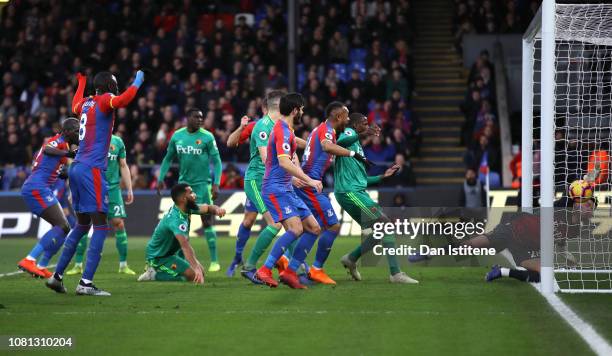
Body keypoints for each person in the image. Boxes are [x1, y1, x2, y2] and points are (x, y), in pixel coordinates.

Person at [47, 70, 144, 297]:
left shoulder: (87, 103)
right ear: (109, 84)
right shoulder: (103, 100)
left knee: (81, 225)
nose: (117, 87)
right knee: (100, 226)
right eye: (115, 83)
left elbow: (74, 106)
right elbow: (124, 100)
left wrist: (81, 82)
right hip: (92, 170)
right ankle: (86, 283)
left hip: (77, 167)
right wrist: (139, 79)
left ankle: (57, 276)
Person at [336, 112, 419, 284]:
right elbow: (339, 142)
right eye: (364, 124)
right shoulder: (349, 133)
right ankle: (395, 274)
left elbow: (362, 180)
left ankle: (351, 258)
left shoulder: (357, 145)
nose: (367, 127)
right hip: (350, 192)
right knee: (386, 224)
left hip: (355, 191)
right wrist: (363, 133)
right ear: (356, 125)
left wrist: (382, 177)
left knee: (381, 230)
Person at [294, 101, 371, 285]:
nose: (348, 118)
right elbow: (327, 146)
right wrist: (351, 154)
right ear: (338, 117)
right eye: (346, 115)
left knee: (312, 228)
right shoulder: (327, 131)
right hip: (310, 185)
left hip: (307, 183)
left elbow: (319, 148)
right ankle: (315, 269)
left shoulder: (319, 129)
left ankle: (292, 267)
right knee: (333, 226)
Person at [254, 93, 323, 289]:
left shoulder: (286, 130)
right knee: (295, 229)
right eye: (301, 109)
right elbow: (284, 162)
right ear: (294, 110)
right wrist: (308, 180)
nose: (302, 112)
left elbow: (301, 144)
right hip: (276, 189)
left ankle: (290, 271)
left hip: (286, 189)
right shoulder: (282, 131)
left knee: (314, 228)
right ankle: (265, 270)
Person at [224, 91, 284, 281]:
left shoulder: (281, 126)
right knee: (250, 220)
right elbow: (230, 142)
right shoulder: (257, 126)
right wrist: (241, 128)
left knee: (286, 220)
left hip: (272, 180)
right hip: (258, 180)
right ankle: (238, 258)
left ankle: (290, 264)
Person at [156, 108, 223, 272]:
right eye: (196, 117)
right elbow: (167, 159)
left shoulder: (207, 137)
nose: (200, 120)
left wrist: (216, 183)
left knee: (207, 221)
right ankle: (179, 260)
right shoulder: (177, 136)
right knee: (183, 223)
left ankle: (214, 261)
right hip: (183, 186)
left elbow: (218, 161)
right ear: (188, 118)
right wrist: (160, 178)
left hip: (202, 185)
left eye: (202, 117)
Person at [17, 118, 79, 278]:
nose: (78, 133)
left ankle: (42, 264)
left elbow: (53, 167)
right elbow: (47, 150)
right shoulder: (57, 141)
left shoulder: (63, 145)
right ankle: (29, 259)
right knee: (62, 225)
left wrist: (66, 172)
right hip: (37, 188)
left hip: (40, 188)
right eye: (76, 130)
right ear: (67, 131)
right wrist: (68, 153)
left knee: (64, 228)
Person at [66, 134, 136, 276]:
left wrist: (129, 188)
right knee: (84, 224)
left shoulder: (117, 142)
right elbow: (77, 166)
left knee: (118, 223)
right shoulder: (88, 139)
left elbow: (123, 165)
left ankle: (123, 265)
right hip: (91, 188)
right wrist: (73, 189)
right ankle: (78, 264)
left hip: (113, 189)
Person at [137, 184, 226, 283]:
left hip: (169, 254)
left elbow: (208, 208)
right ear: (183, 199)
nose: (194, 195)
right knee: (193, 277)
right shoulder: (176, 220)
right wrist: (195, 267)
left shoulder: (186, 207)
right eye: (191, 193)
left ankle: (169, 271)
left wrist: (217, 209)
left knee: (201, 274)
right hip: (159, 257)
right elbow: (185, 246)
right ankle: (153, 274)